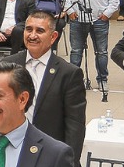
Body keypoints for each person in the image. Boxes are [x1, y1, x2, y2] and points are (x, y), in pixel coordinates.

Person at [6, 10, 86, 151]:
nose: (32, 36)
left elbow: (75, 125)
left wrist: (68, 163)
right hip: (10, 148)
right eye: (28, 29)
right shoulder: (7, 66)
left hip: (48, 153)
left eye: (40, 31)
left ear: (53, 37)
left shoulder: (69, 73)